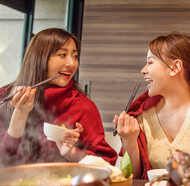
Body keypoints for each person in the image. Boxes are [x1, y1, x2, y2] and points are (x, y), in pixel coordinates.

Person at [113, 32, 190, 179]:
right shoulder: (143, 116)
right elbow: (133, 178)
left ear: (175, 67)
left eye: (150, 62)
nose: (143, 70)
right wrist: (129, 139)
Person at [0, 28, 117, 167]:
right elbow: (5, 161)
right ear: (39, 58)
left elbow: (107, 162)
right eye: (62, 55)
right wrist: (20, 113)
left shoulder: (83, 106)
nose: (72, 64)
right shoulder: (6, 96)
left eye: (75, 56)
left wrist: (73, 154)